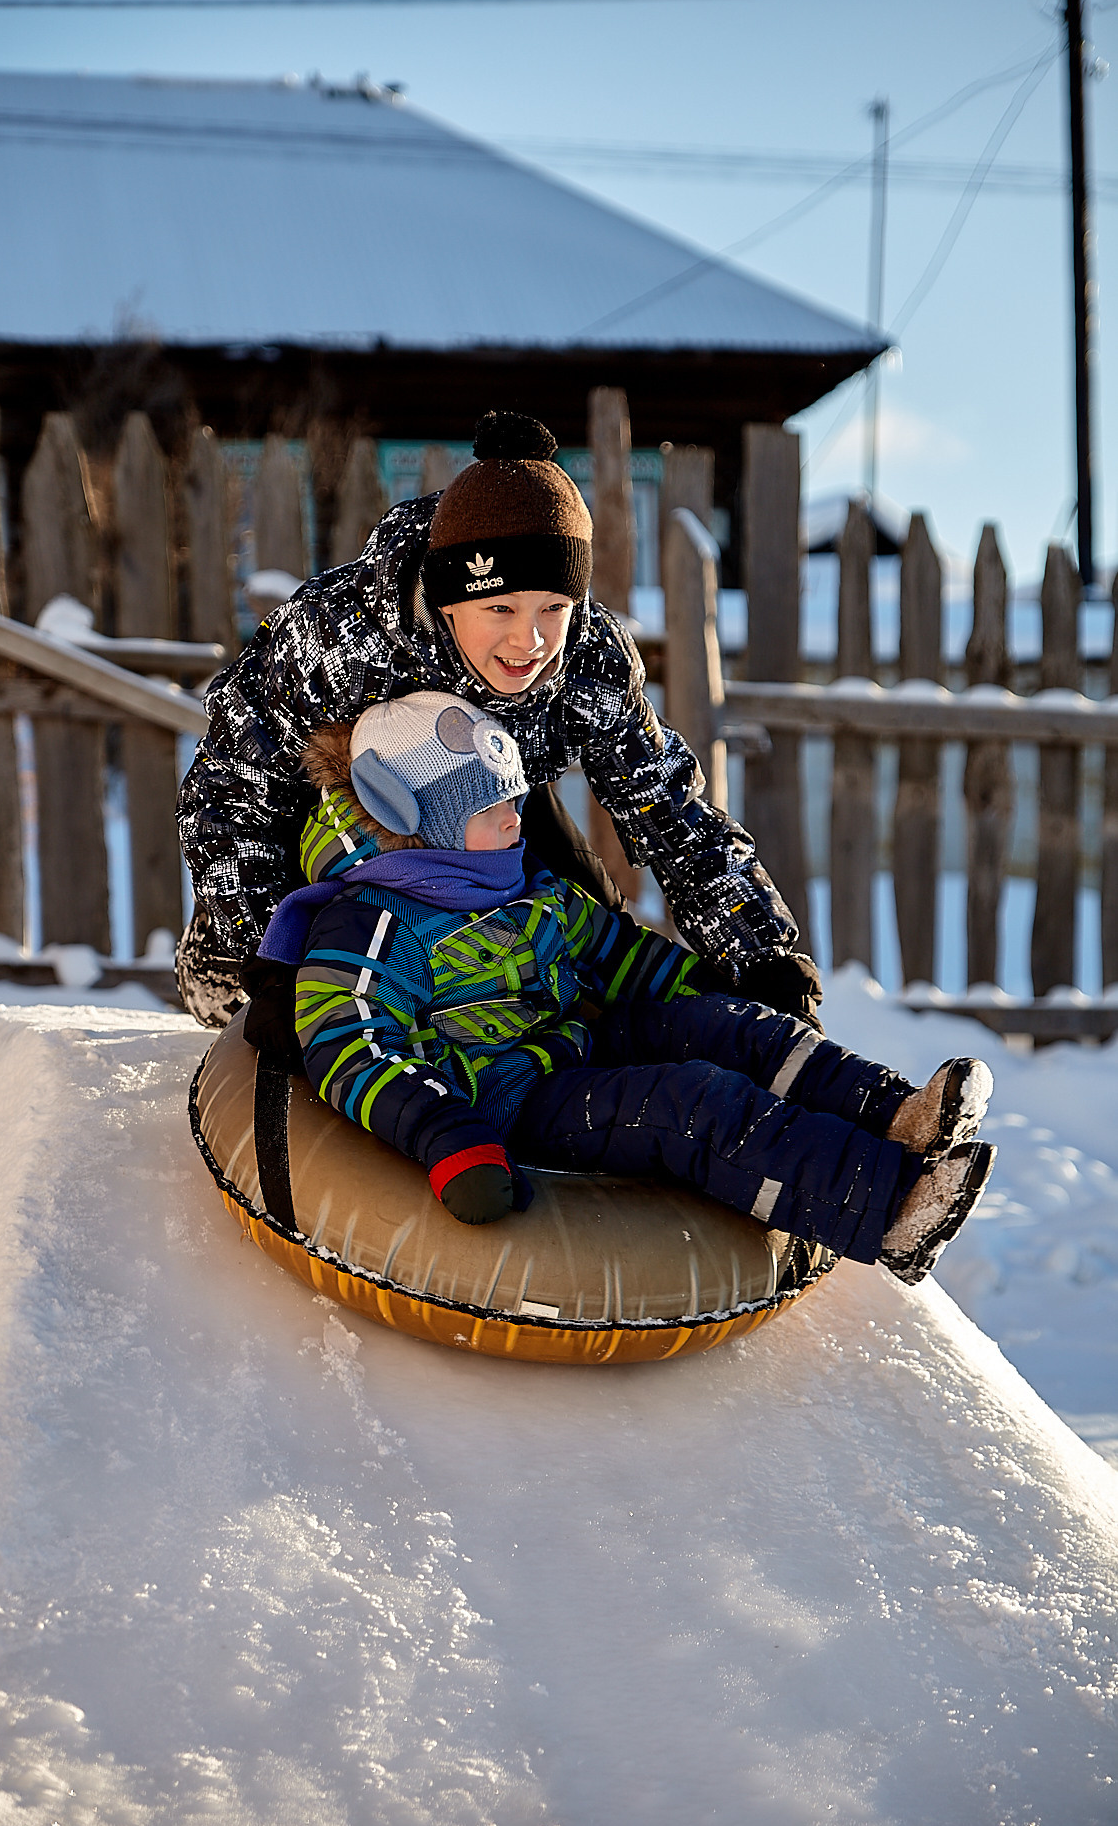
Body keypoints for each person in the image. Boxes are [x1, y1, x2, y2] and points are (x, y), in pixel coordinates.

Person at [258, 690, 996, 1287]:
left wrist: (707, 990)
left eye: (514, 796)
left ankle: (894, 1114)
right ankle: (890, 1210)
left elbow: (614, 952)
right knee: (694, 1102)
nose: (515, 816)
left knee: (732, 1028)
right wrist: (449, 1137)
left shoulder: (519, 880)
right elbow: (348, 1046)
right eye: (490, 807)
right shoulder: (372, 921)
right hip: (504, 1098)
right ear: (418, 818)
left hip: (569, 1045)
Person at [177, 410, 824, 1044]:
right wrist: (266, 959)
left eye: (553, 607)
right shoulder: (337, 635)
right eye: (500, 608)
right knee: (296, 983)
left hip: (491, 807)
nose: (529, 640)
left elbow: (670, 812)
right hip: (338, 826)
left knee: (581, 935)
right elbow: (230, 790)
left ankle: (574, 1053)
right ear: (448, 599)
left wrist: (759, 955)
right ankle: (239, 980)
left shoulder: (589, 657)